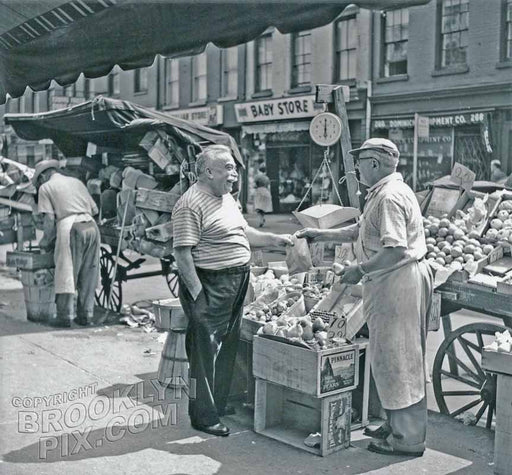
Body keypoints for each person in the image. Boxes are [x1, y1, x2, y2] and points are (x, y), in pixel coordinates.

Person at [297, 138, 433, 457]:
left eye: (359, 163)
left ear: (373, 163)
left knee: (399, 359)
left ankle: (408, 439)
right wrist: (320, 234)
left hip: (396, 281)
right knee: (389, 357)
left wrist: (359, 269)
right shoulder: (383, 193)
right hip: (389, 280)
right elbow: (360, 229)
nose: (356, 169)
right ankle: (396, 423)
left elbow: (395, 249)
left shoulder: (389, 197)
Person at [172, 144, 293, 437]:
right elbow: (182, 254)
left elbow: (243, 233)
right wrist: (199, 295)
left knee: (228, 345)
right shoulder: (190, 204)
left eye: (234, 169)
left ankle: (220, 402)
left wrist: (275, 240)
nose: (234, 175)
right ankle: (203, 415)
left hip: (237, 280)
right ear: (208, 171)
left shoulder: (226, 199)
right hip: (210, 282)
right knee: (203, 352)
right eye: (228, 168)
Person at [34, 160, 100, 327]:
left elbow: (49, 219)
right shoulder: (76, 182)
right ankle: (86, 315)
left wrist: (45, 242)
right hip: (91, 225)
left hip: (71, 226)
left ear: (43, 176)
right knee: (89, 272)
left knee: (66, 271)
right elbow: (95, 210)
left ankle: (64, 317)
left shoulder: (45, 188)